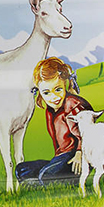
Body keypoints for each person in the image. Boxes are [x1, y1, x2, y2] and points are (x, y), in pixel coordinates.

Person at [15, 57, 94, 186]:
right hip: (61, 157)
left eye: (58, 89)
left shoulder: (73, 105)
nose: (54, 97)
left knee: (46, 175)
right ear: (40, 92)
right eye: (47, 93)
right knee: (22, 170)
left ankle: (54, 182)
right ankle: (41, 181)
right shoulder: (50, 110)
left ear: (65, 84)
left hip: (78, 157)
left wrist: (80, 153)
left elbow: (87, 133)